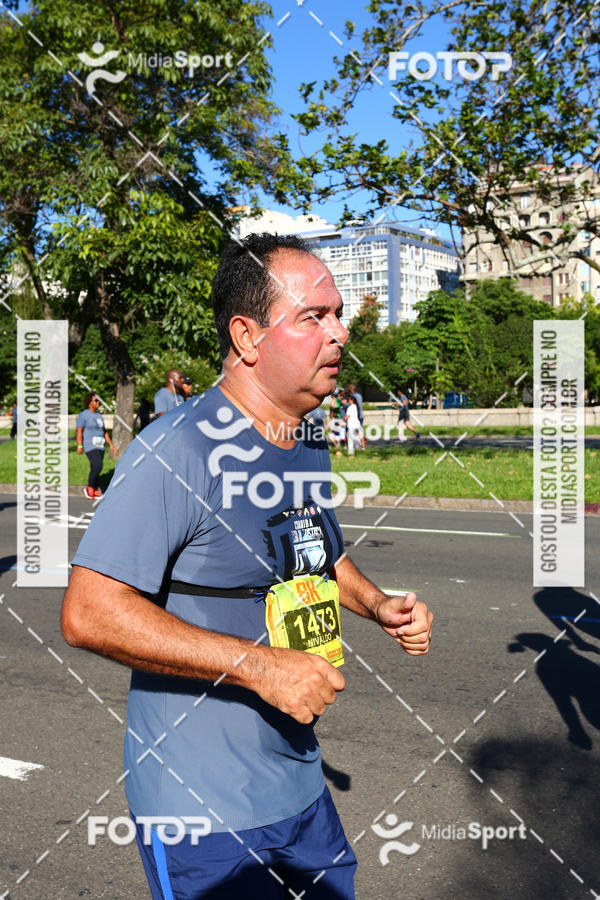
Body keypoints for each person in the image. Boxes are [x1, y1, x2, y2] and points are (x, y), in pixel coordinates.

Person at [61, 233, 433, 899]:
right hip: (202, 810)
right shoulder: (179, 449)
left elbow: (317, 551)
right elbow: (89, 613)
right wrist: (260, 666)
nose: (341, 334)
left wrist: (378, 605)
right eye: (314, 317)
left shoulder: (305, 437)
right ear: (248, 336)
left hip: (296, 784)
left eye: (339, 314)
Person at [75, 392, 116, 500]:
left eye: (99, 400)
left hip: (100, 445)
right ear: (89, 403)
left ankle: (94, 489)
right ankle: (89, 488)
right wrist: (79, 445)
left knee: (95, 467)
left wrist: (111, 445)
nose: (98, 402)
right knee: (98, 465)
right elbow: (79, 430)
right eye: (96, 400)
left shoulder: (99, 416)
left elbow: (104, 431)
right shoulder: (84, 415)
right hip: (90, 445)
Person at [346, 383, 365, 449]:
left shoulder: (354, 396)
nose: (348, 389)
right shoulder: (358, 395)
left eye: (349, 387)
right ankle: (359, 446)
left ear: (351, 388)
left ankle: (358, 446)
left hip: (357, 417)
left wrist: (345, 405)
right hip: (359, 416)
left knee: (355, 433)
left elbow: (357, 406)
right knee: (358, 433)